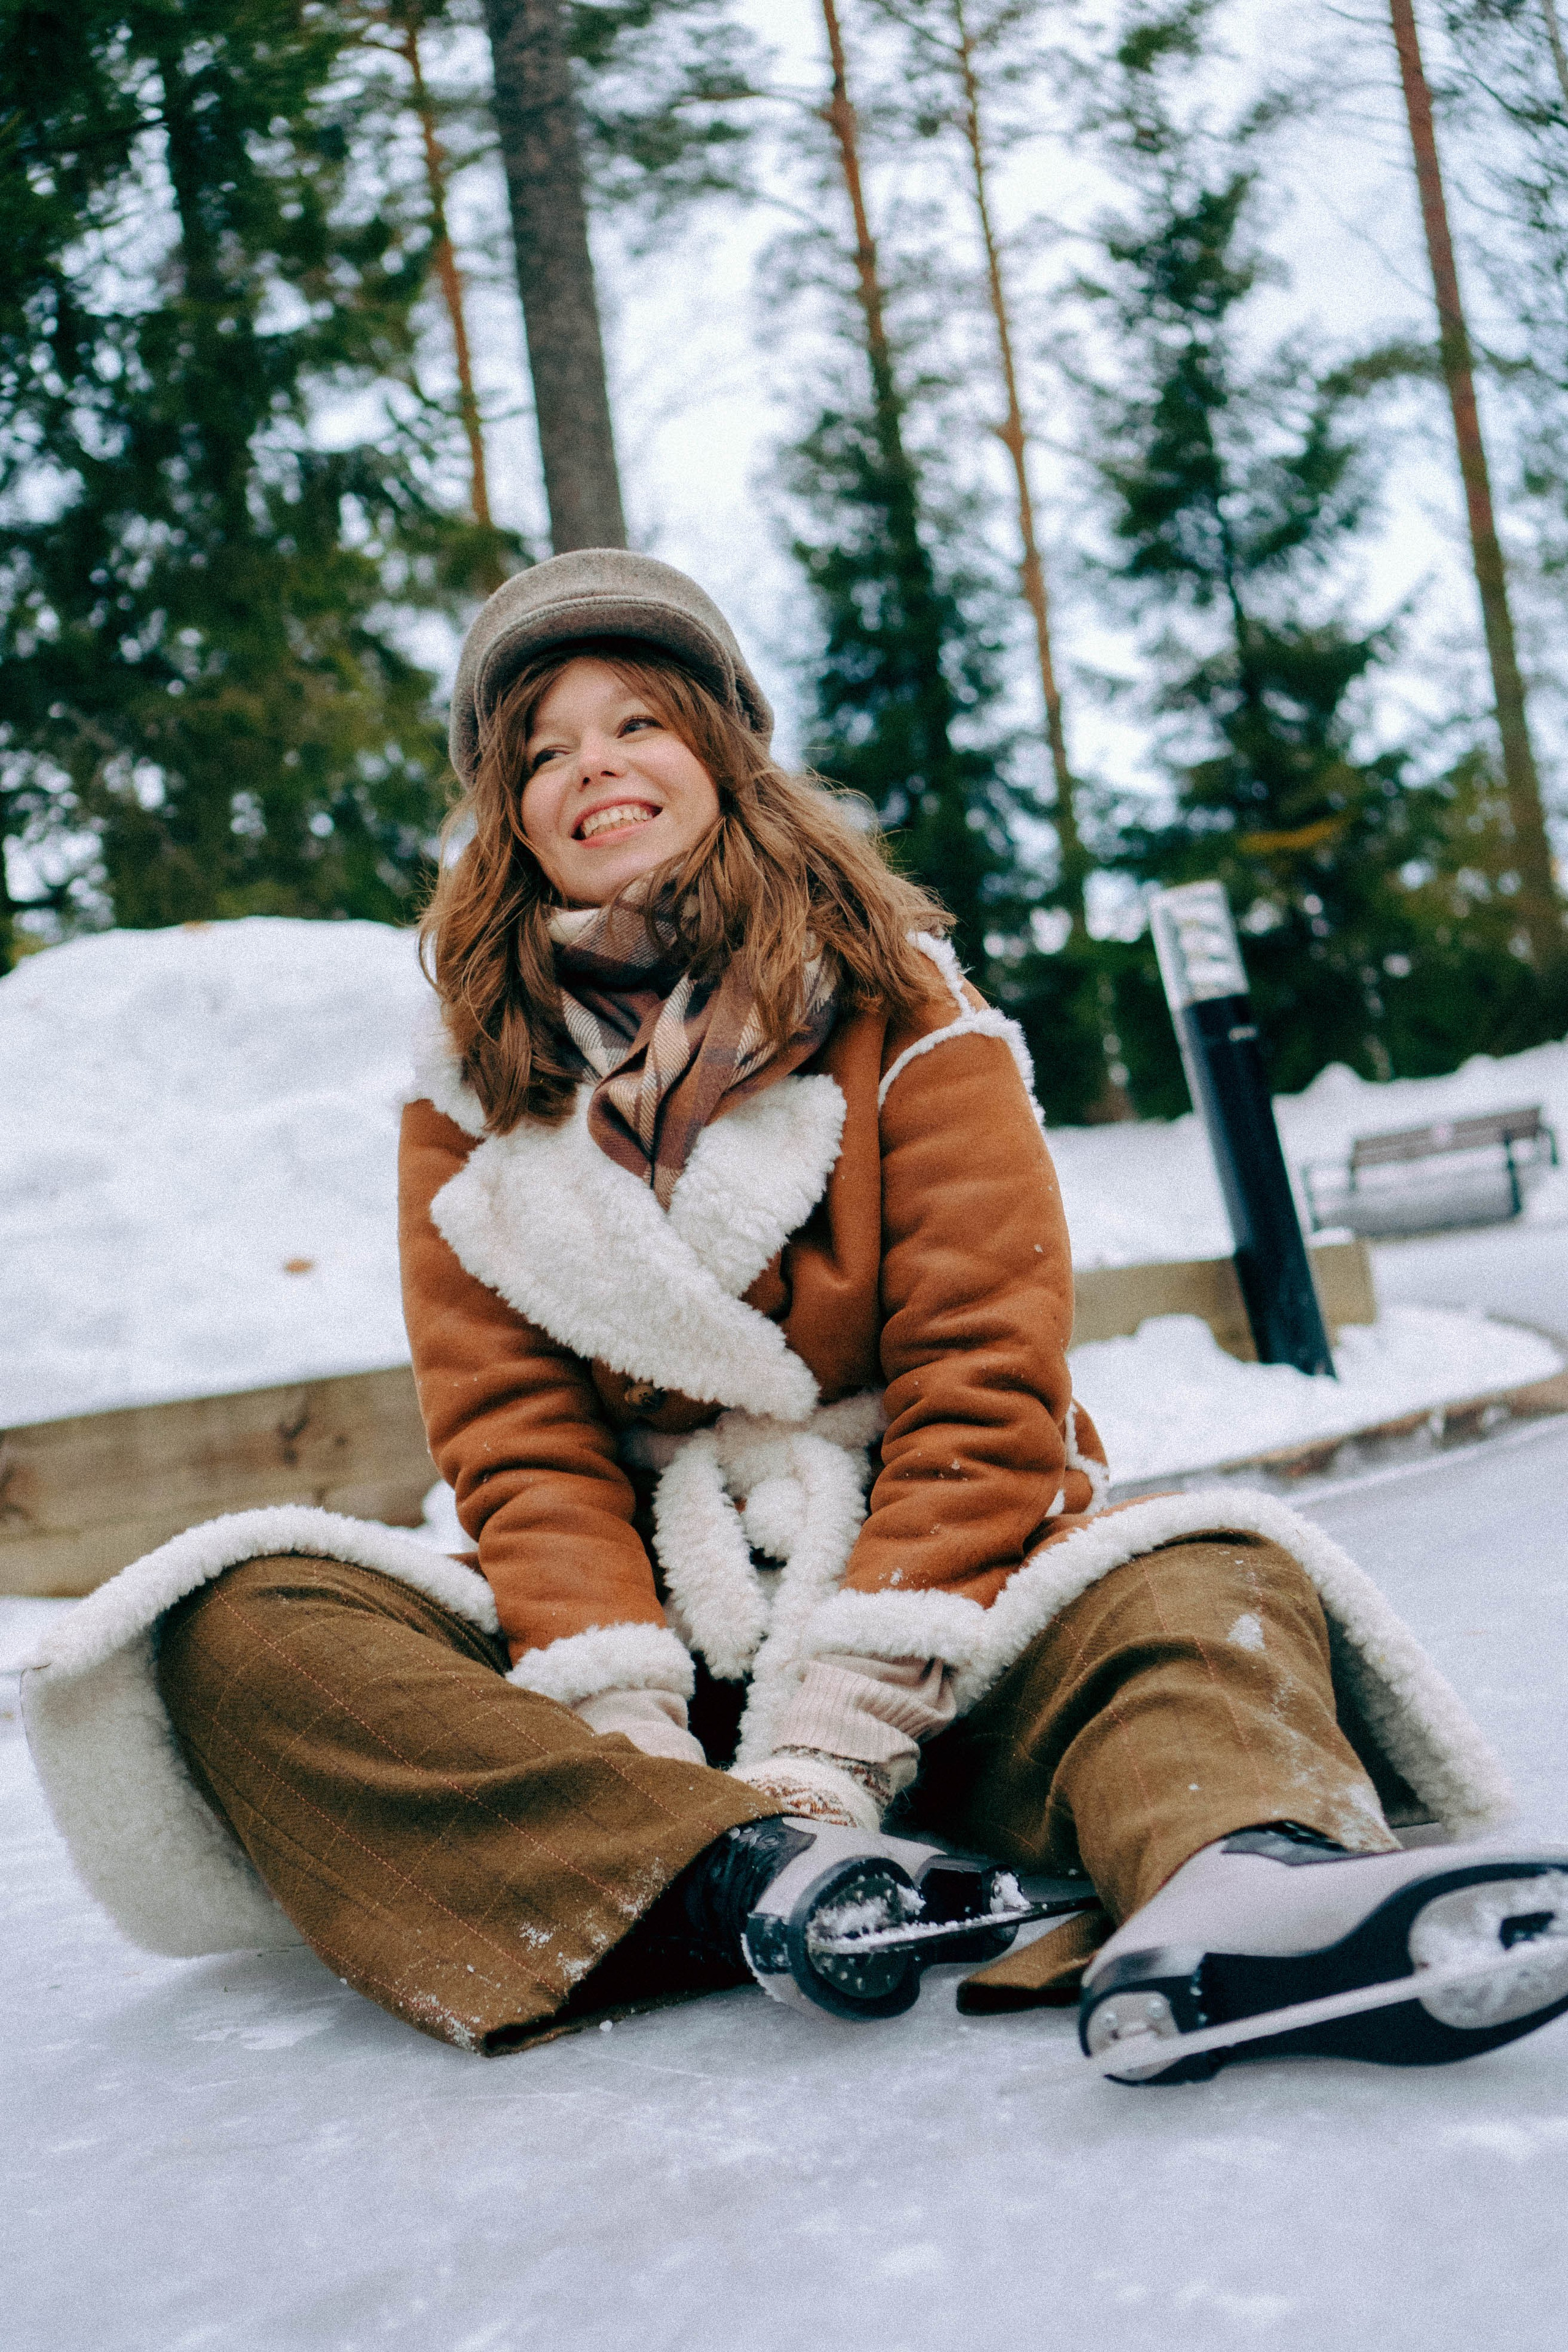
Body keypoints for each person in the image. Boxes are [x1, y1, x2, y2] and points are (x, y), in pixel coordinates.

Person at [23, 551, 1568, 2082]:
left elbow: (982, 1393)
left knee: (1201, 1578)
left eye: (633, 722)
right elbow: (519, 1448)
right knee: (239, 1619)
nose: (592, 768)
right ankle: (720, 1876)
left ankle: (1243, 1887)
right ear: (509, 816)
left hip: (930, 1614)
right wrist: (627, 1725)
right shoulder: (471, 1094)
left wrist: (836, 1738)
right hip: (645, 1644)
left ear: (720, 748)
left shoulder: (911, 1016)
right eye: (542, 751)